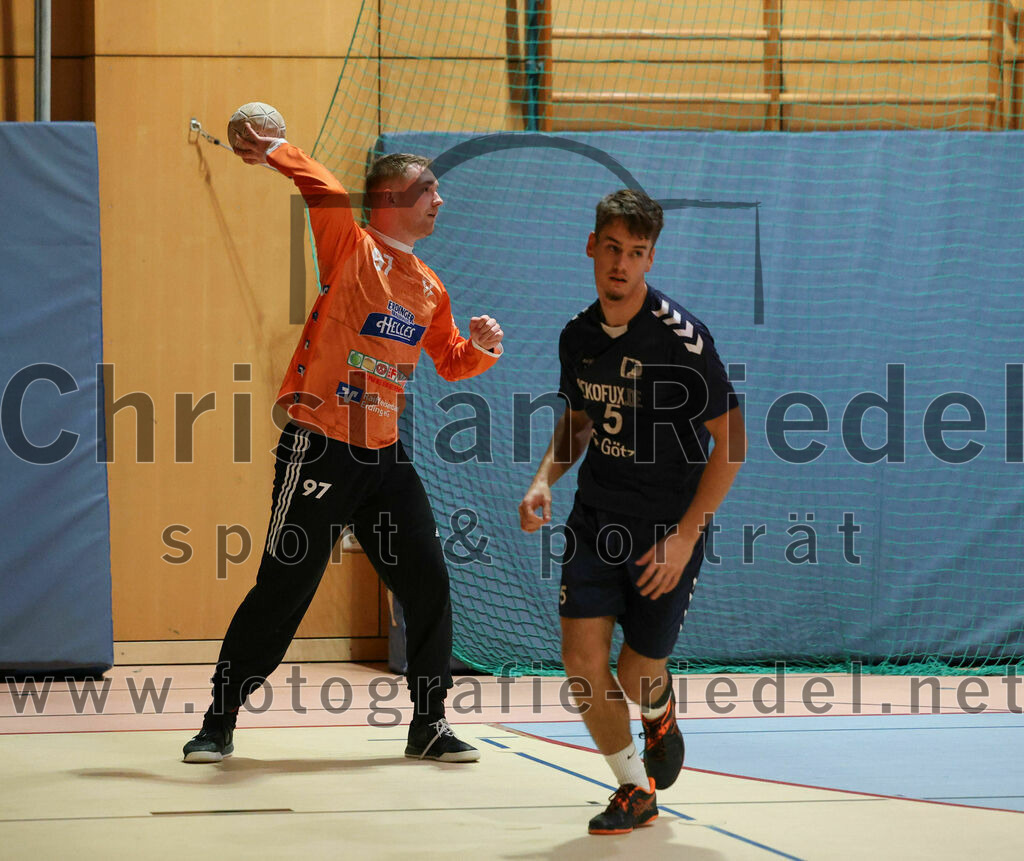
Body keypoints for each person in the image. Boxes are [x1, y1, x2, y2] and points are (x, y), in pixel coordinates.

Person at [183, 122, 504, 764]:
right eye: (427, 189)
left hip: (384, 458)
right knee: (283, 588)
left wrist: (483, 350)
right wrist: (274, 146)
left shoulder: (430, 288)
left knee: (429, 584)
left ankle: (429, 725)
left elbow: (448, 359)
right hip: (320, 446)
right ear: (389, 199)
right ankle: (218, 722)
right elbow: (323, 189)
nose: (440, 200)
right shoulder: (350, 247)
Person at [518, 189, 745, 835]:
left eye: (636, 252)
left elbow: (733, 443)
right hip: (595, 519)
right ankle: (632, 788)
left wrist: (684, 536)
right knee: (581, 662)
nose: (622, 263)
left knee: (636, 669)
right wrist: (542, 480)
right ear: (592, 246)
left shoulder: (682, 340)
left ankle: (660, 707)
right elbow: (580, 421)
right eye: (612, 248)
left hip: (665, 527)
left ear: (650, 258)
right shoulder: (579, 336)